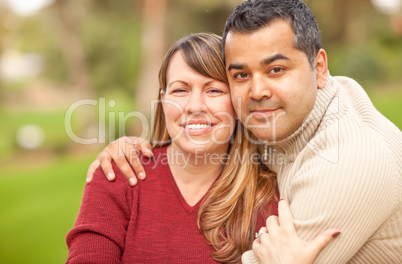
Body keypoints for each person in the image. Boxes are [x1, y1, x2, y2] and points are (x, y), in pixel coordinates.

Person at [87, 0, 402, 263]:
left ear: (319, 68)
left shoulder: (346, 163)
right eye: (240, 75)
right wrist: (131, 146)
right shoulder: (278, 129)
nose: (257, 91)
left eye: (276, 69)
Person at [68, 32, 338, 264]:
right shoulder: (119, 175)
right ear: (162, 101)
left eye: (213, 91)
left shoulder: (270, 197)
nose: (195, 106)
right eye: (180, 91)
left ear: (236, 100)